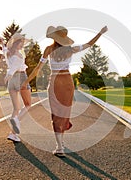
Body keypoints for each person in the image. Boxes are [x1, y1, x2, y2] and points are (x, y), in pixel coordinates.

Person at [23, 25, 108, 156]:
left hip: (55, 82)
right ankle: (60, 144)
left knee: (56, 113)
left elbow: (38, 69)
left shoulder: (48, 49)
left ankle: (59, 146)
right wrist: (100, 33)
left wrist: (26, 82)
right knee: (64, 112)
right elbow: (89, 44)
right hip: (67, 82)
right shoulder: (71, 49)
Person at [0, 34, 32, 142]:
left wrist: (2, 42)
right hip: (20, 77)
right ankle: (16, 120)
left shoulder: (8, 53)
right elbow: (13, 69)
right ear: (16, 43)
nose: (22, 44)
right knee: (28, 104)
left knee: (16, 108)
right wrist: (8, 75)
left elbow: (4, 49)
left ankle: (13, 134)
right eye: (21, 42)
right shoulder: (18, 56)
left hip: (12, 82)